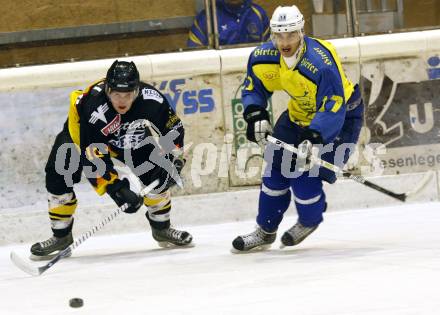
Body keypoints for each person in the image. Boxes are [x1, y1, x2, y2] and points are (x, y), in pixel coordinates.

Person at [232, 5, 364, 251]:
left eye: (290, 34)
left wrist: (315, 137)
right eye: (279, 35)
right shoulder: (264, 58)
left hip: (340, 117)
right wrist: (255, 113)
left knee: (305, 176)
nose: (284, 42)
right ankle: (265, 229)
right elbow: (253, 88)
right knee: (275, 174)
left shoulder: (320, 62)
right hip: (297, 118)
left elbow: (334, 105)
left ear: (301, 32)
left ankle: (309, 219)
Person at [30, 60, 193, 260]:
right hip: (81, 135)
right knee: (59, 173)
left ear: (137, 90)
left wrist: (174, 158)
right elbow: (92, 156)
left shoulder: (151, 99)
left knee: (156, 172)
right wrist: (116, 189)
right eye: (116, 94)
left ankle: (162, 228)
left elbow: (173, 128)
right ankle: (61, 236)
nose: (122, 100)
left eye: (127, 95)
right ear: (107, 90)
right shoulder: (94, 107)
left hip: (129, 133)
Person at [187, 0, 270, 47]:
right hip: (219, 74)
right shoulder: (207, 18)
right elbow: (193, 55)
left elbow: (270, 51)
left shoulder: (258, 14)